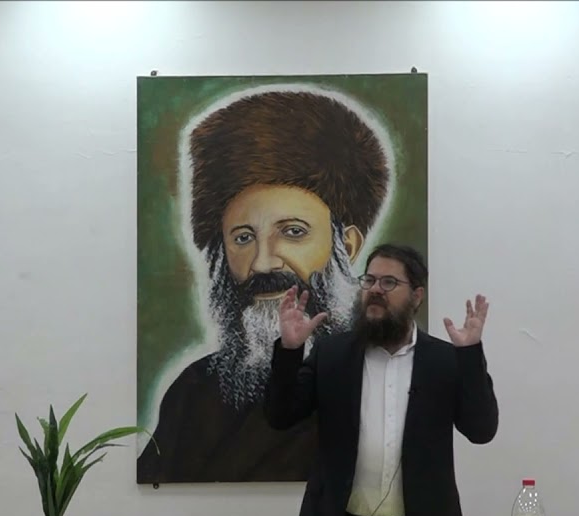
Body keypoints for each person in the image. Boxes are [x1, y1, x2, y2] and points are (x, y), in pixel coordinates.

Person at [137, 88, 394, 485]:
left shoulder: (379, 376)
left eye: (292, 232)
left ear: (346, 245)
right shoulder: (193, 391)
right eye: (243, 238)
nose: (262, 263)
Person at [264, 244, 499, 516]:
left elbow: (481, 430)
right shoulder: (333, 354)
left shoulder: (444, 360)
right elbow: (280, 416)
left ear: (416, 296)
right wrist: (289, 350)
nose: (375, 290)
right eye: (370, 280)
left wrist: (470, 356)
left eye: (389, 282)